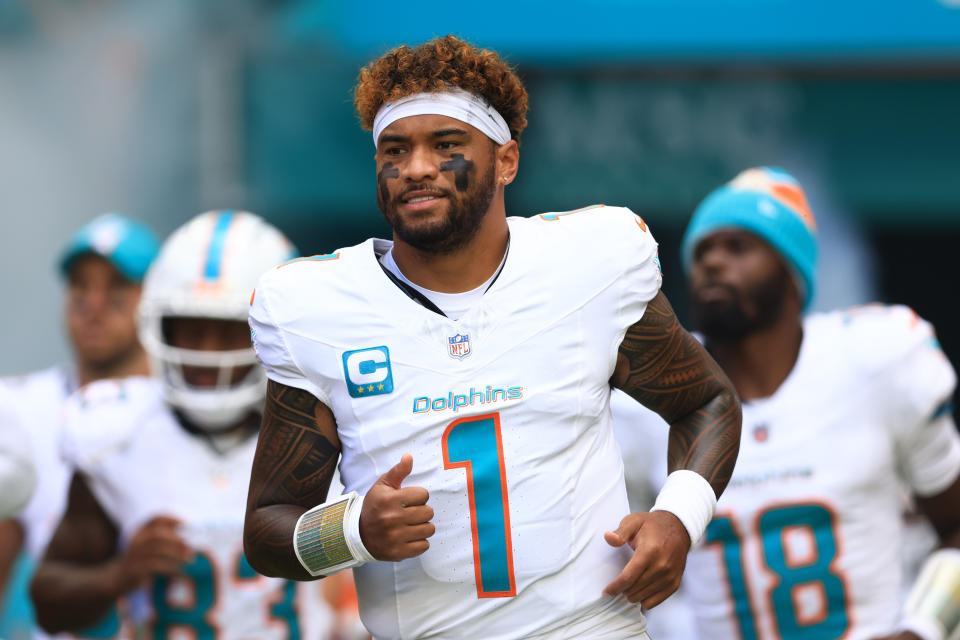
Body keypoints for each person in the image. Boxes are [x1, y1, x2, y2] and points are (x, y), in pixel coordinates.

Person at [243, 35, 742, 640]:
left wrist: (678, 517)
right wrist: (350, 532)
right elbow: (267, 529)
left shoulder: (589, 265)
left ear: (506, 161)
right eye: (395, 150)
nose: (417, 168)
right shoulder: (316, 308)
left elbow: (706, 401)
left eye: (446, 144)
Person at [677, 167, 960, 640]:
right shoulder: (649, 401)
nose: (712, 261)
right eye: (702, 250)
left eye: (738, 247)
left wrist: (921, 630)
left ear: (792, 274)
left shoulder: (877, 360)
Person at [29, 210, 318, 638]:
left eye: (229, 331)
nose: (206, 352)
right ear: (157, 324)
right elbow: (48, 602)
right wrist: (119, 573)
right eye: (189, 328)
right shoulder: (115, 434)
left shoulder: (323, 433)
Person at [0, 213, 159, 639]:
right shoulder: (20, 409)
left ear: (157, 298)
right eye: (80, 286)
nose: (93, 303)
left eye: (116, 288)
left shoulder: (190, 408)